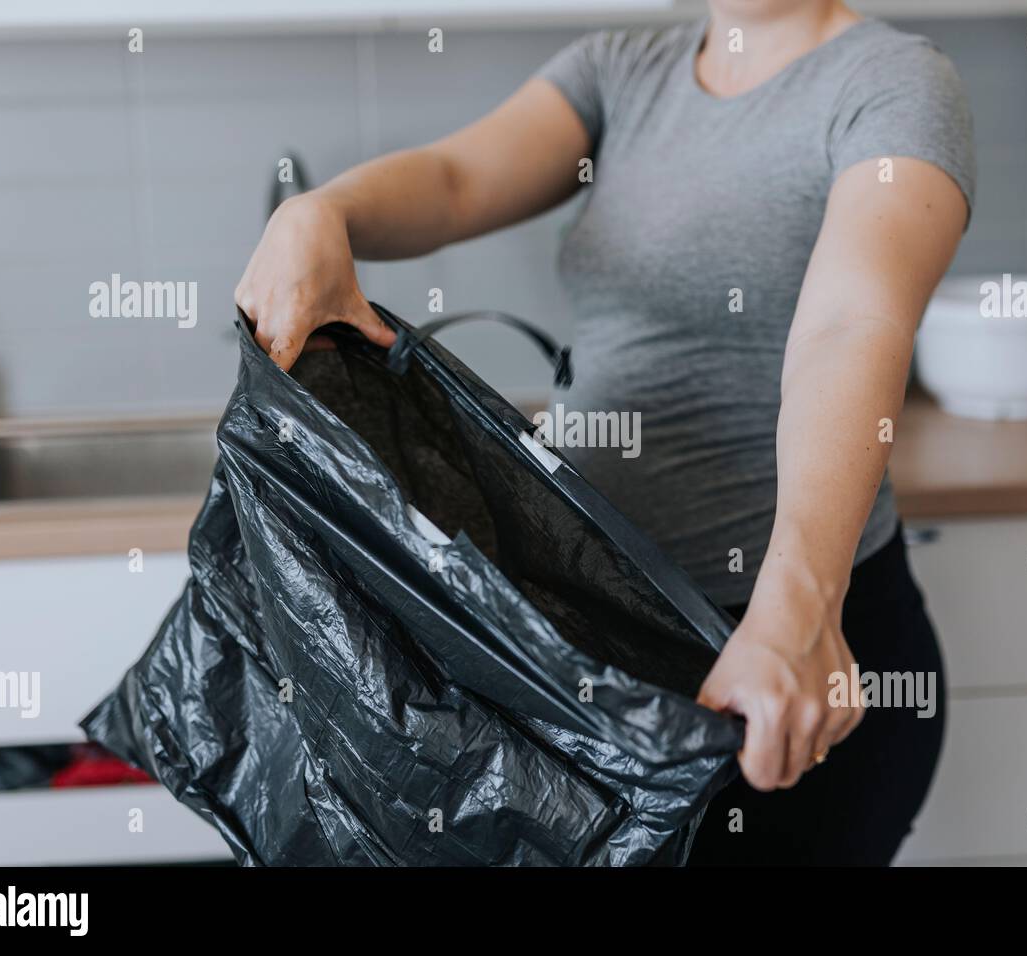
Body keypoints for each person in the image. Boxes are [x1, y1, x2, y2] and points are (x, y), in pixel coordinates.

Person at [235, 0, 973, 865]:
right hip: (590, 644)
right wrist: (319, 215)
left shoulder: (893, 81)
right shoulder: (620, 70)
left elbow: (852, 322)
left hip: (765, 652)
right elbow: (453, 179)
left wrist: (797, 609)